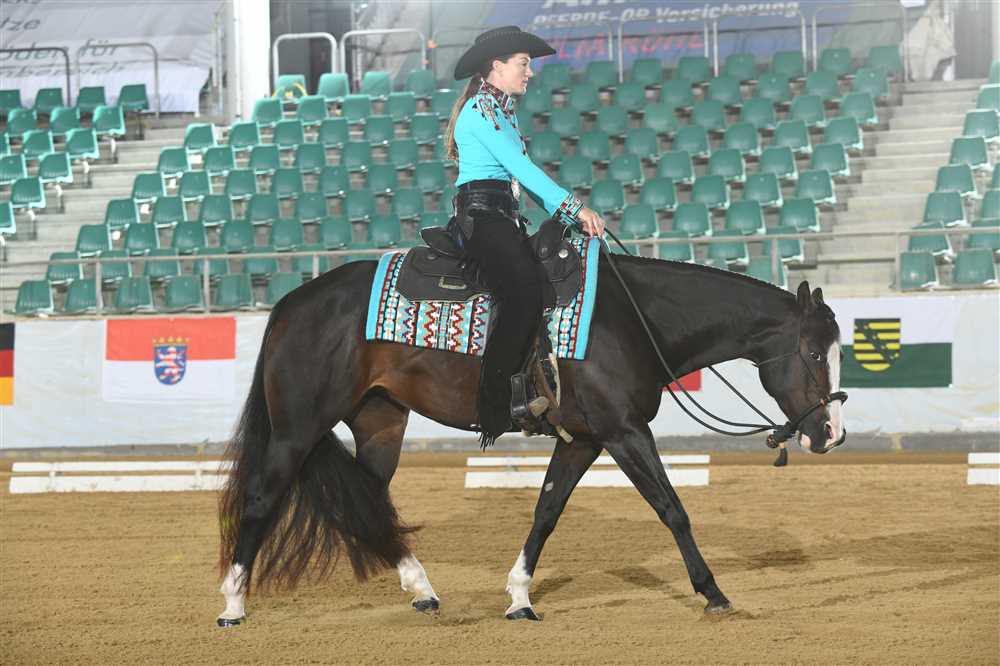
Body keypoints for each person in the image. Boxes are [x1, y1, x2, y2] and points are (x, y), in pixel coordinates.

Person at [445, 25, 606, 447]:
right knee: (521, 292)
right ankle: (495, 404)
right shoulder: (480, 110)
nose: (530, 72)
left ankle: (532, 387)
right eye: (523, 63)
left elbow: (522, 179)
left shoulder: (500, 112)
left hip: (503, 217)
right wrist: (574, 207)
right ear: (496, 66)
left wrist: (566, 214)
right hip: (482, 219)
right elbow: (523, 170)